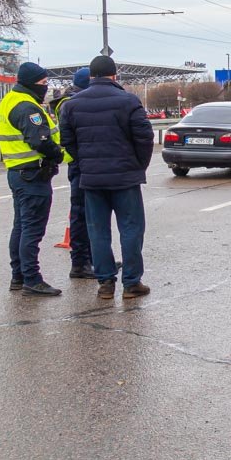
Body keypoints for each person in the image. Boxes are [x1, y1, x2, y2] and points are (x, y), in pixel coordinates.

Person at [59, 56, 154, 300]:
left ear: (91, 76)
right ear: (114, 76)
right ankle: (131, 282)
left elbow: (67, 140)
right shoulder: (129, 101)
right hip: (125, 178)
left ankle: (105, 283)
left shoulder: (72, 105)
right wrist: (138, 166)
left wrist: (84, 163)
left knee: (97, 231)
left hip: (92, 179)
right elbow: (144, 138)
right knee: (131, 229)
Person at [0, 62, 64, 296]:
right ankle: (31, 279)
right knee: (32, 230)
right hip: (32, 174)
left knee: (21, 226)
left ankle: (18, 276)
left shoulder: (10, 100)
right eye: (44, 84)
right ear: (31, 83)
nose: (46, 88)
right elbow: (40, 140)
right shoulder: (27, 107)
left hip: (18, 172)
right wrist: (59, 154)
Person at [48, 68, 96, 280]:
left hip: (80, 163)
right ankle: (80, 263)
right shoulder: (71, 104)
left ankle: (94, 259)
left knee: (90, 214)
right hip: (79, 164)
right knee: (81, 214)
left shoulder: (70, 101)